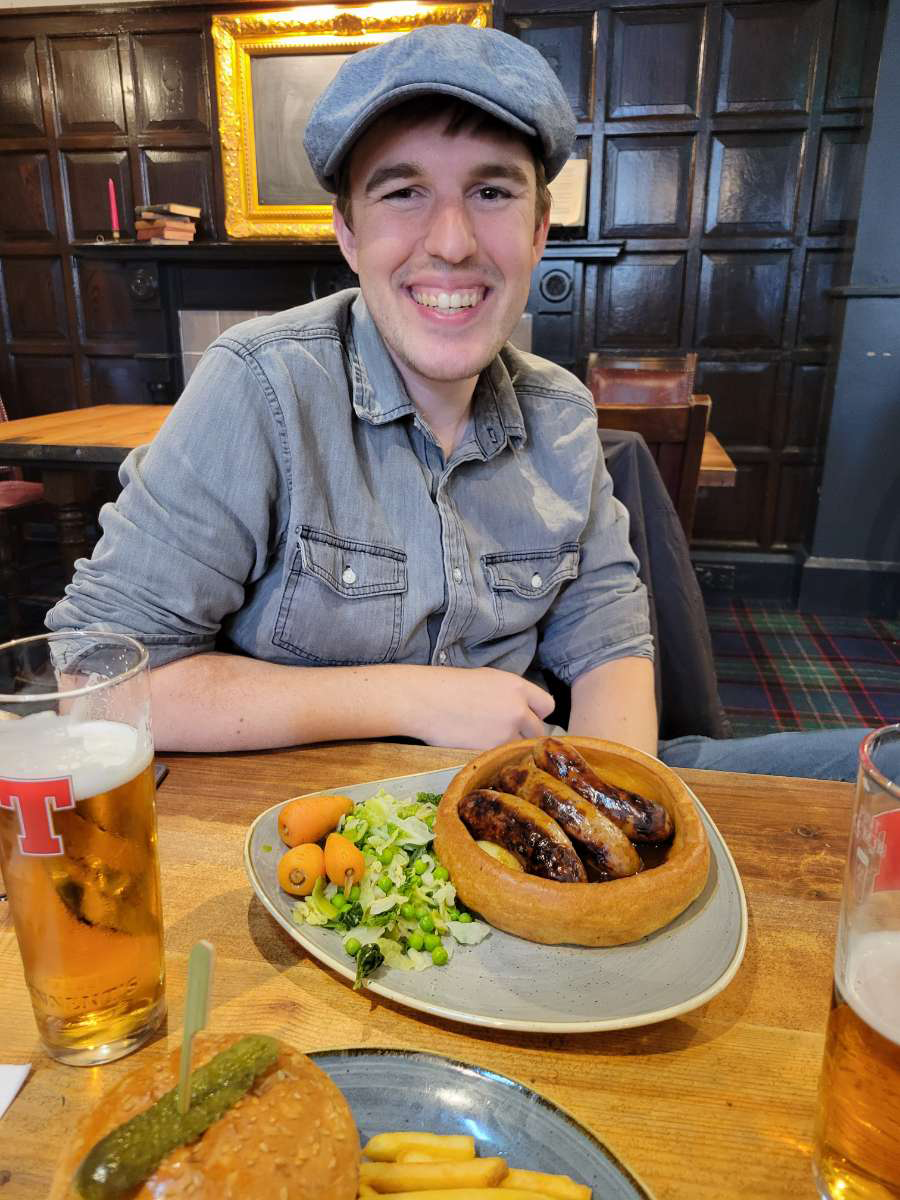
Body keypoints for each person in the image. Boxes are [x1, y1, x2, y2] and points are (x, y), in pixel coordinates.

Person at [46, 24, 868, 780]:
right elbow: (96, 682)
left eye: (492, 193)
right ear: (348, 233)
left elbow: (611, 643)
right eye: (402, 192)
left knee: (879, 770)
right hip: (306, 837)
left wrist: (598, 817)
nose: (451, 242)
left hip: (516, 802)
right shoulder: (260, 386)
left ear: (541, 230)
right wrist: (414, 697)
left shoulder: (563, 414)